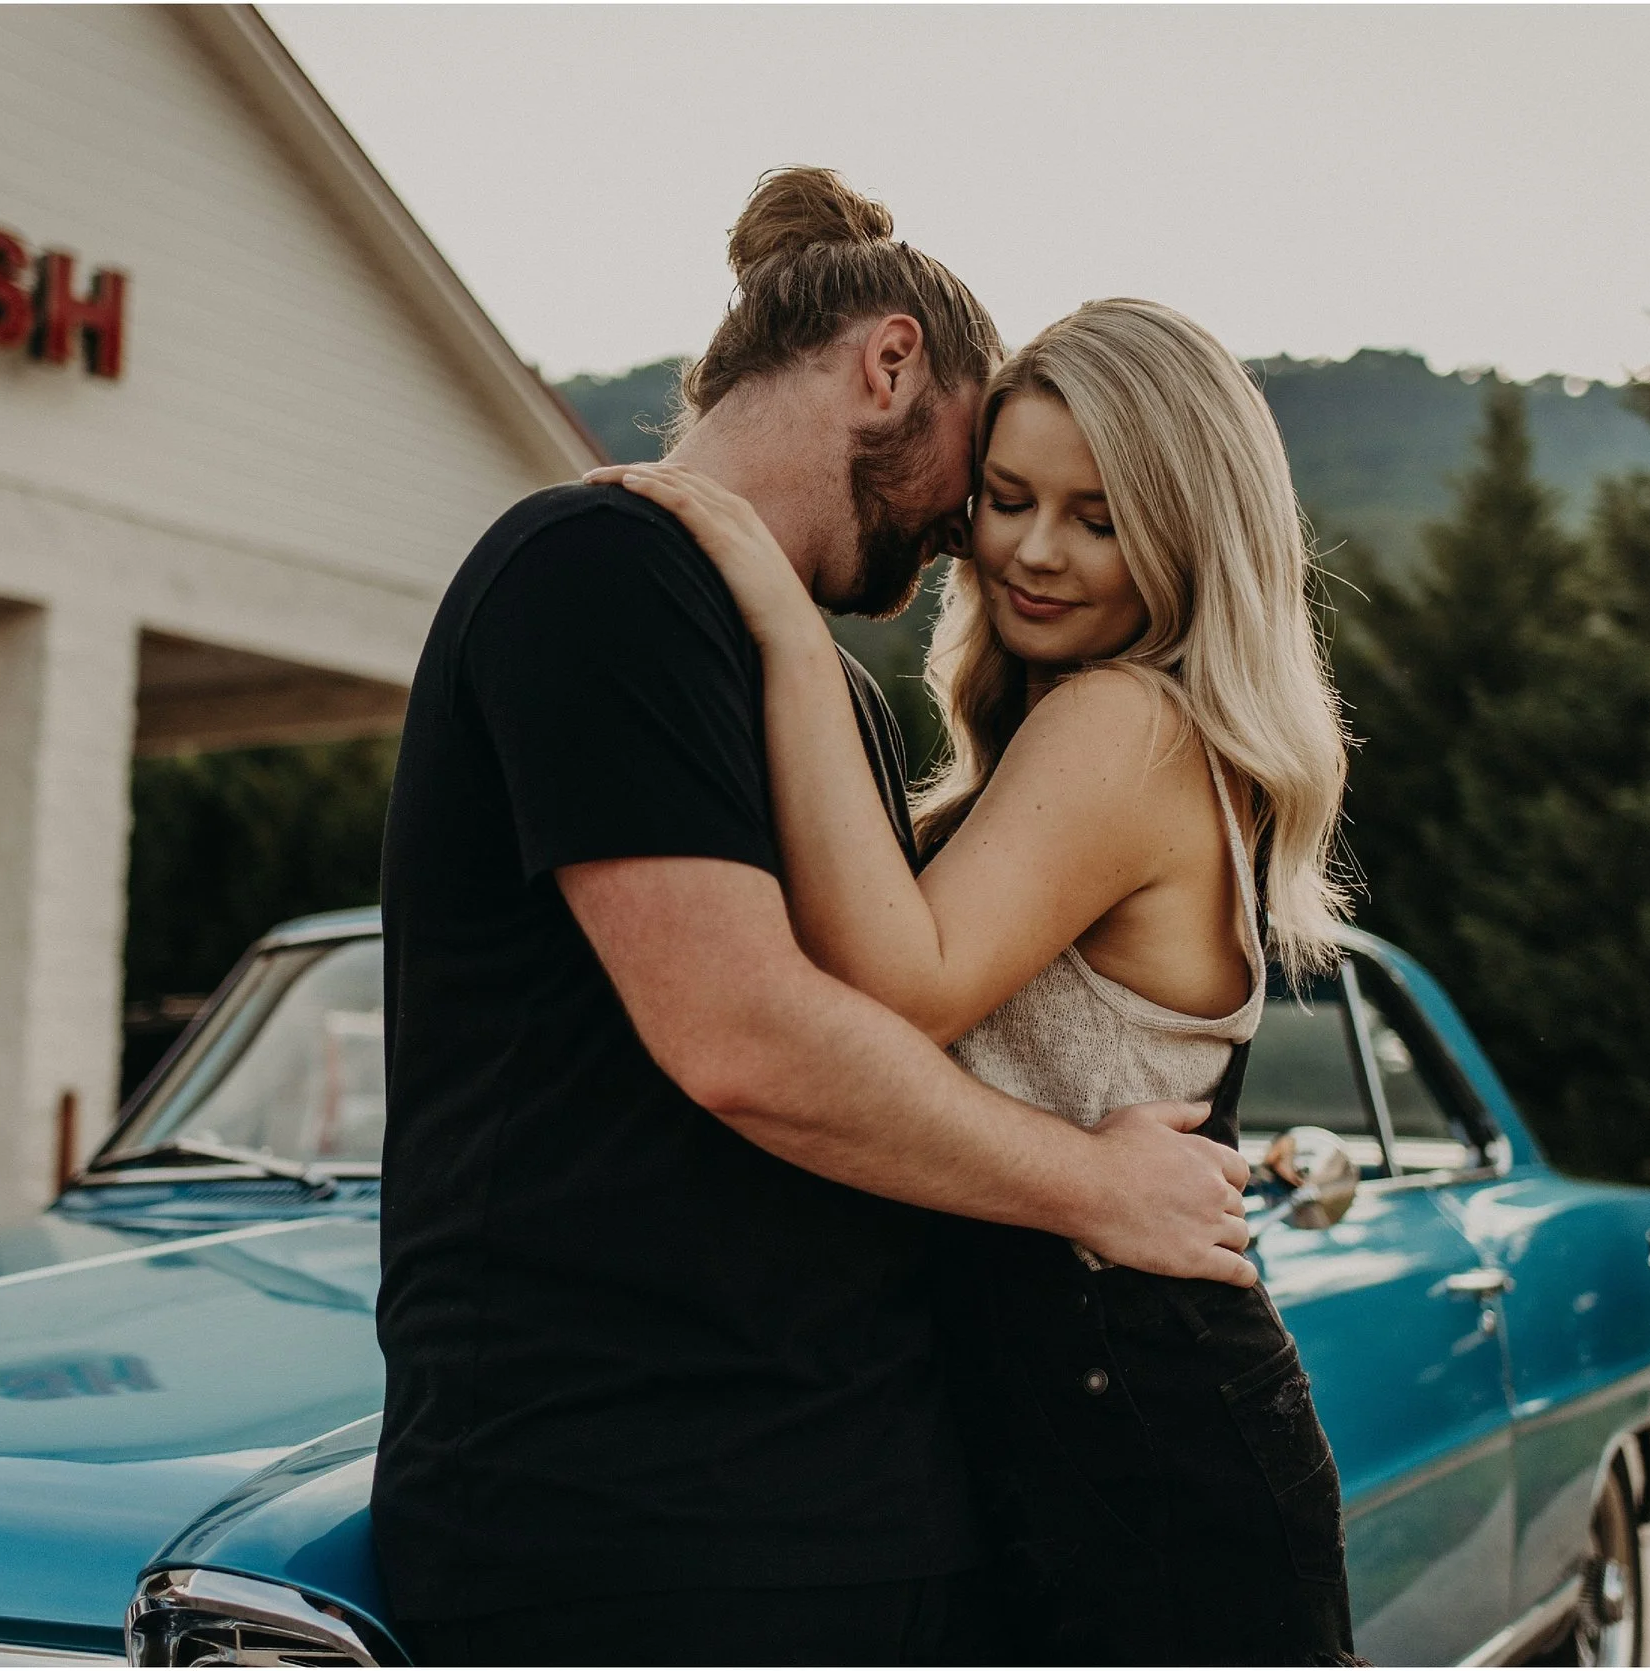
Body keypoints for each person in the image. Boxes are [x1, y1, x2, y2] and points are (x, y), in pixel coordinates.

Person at [373, 169, 1257, 1666]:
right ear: (890, 364)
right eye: (987, 487)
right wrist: (1091, 1185)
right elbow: (746, 1037)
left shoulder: (825, 687)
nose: (976, 544)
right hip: (623, 1518)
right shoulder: (596, 571)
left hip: (832, 1510)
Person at [594, 296, 1363, 1664]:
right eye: (1007, 498)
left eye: (1101, 516)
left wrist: (781, 619)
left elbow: (900, 983)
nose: (1035, 550)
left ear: (1192, 537)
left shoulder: (1123, 723)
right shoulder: (1101, 739)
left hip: (1145, 1458)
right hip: (1069, 1434)